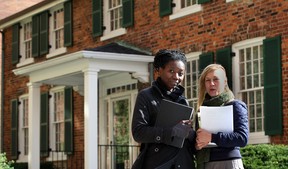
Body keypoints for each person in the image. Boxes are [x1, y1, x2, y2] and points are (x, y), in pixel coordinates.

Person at [131, 49, 196, 169]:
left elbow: (188, 139)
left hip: (183, 162)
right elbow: (138, 133)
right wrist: (171, 132)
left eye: (180, 73)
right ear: (158, 71)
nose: (176, 77)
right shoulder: (146, 96)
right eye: (171, 71)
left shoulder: (184, 101)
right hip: (159, 163)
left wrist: (190, 134)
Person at [194, 64, 249, 169]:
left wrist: (211, 137)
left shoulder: (235, 105)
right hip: (205, 163)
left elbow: (242, 138)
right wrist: (197, 144)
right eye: (208, 80)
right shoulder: (201, 110)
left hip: (228, 162)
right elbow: (198, 140)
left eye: (216, 79)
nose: (212, 84)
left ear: (225, 82)